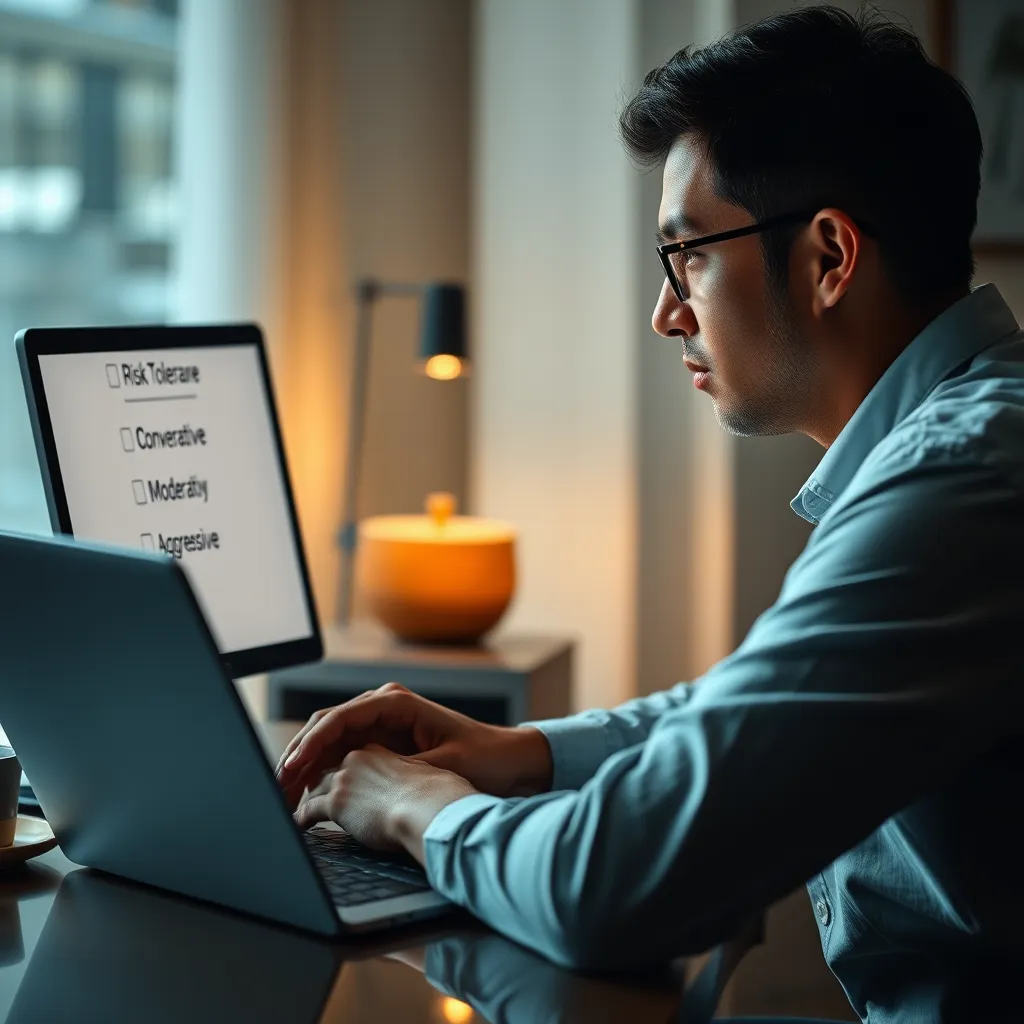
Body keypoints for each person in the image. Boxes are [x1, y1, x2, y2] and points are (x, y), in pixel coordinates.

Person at [277, 7, 1024, 1021]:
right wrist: (523, 752)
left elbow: (609, 886)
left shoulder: (964, 479)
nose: (670, 311)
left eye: (690, 256)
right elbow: (752, 716)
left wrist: (416, 805)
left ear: (829, 257)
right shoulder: (970, 438)